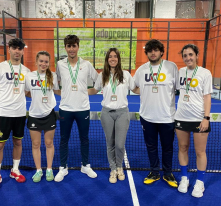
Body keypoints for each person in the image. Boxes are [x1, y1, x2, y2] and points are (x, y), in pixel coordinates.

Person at [133, 39, 179, 188]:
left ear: (161, 52)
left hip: (167, 117)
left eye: (156, 50)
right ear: (146, 53)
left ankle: (167, 173)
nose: (153, 53)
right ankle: (154, 172)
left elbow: (179, 87)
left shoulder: (171, 67)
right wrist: (146, 92)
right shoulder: (141, 70)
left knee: (168, 147)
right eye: (150, 50)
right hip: (147, 117)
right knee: (151, 146)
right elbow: (134, 88)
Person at [88, 48, 138, 183]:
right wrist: (81, 90)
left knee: (120, 144)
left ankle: (120, 167)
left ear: (118, 59)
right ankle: (113, 169)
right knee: (110, 143)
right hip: (106, 113)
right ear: (107, 59)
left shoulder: (126, 75)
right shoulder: (102, 75)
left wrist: (150, 89)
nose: (113, 59)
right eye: (110, 56)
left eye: (115, 56)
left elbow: (135, 89)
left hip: (122, 112)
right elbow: (95, 90)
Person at [0, 38, 30, 192]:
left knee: (18, 143)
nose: (17, 51)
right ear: (9, 49)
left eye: (20, 48)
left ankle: (15, 170)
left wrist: (46, 92)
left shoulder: (26, 71)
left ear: (23, 51)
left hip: (19, 114)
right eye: (14, 48)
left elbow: (27, 93)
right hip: (3, 114)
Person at [54, 35, 98, 182]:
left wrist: (88, 92)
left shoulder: (86, 64)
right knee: (64, 139)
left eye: (74, 46)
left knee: (84, 139)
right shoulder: (60, 64)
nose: (71, 49)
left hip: (83, 108)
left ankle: (85, 165)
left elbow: (98, 81)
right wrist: (64, 93)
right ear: (65, 48)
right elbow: (56, 83)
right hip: (65, 108)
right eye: (69, 46)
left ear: (78, 47)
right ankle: (62, 167)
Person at [175, 44, 212, 198]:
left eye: (190, 54)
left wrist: (206, 118)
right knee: (183, 147)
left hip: (199, 118)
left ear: (197, 55)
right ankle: (184, 178)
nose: (188, 58)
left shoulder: (205, 73)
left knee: (199, 151)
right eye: (185, 55)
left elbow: (207, 96)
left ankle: (200, 182)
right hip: (181, 117)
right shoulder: (180, 72)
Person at [25, 51, 61, 183]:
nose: (43, 63)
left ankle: (49, 169)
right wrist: (36, 98)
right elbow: (26, 92)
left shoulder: (52, 76)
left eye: (46, 61)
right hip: (34, 115)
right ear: (36, 62)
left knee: (49, 143)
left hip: (49, 115)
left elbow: (56, 91)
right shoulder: (29, 76)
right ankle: (39, 170)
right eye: (41, 61)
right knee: (35, 144)